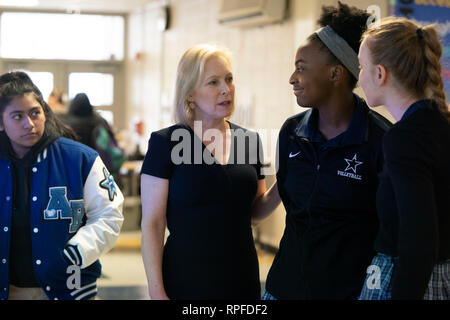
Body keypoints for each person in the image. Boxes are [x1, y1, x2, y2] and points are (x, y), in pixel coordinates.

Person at [263, 2, 393, 300]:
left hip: (349, 291)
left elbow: (390, 233)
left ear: (336, 74)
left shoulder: (381, 140)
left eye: (301, 68)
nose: (292, 78)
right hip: (283, 289)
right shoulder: (291, 133)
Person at [140, 44, 269, 300]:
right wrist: (156, 291)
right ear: (190, 94)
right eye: (213, 82)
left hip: (241, 277)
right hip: (186, 278)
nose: (226, 89)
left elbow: (253, 212)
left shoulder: (249, 140)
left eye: (229, 79)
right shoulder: (166, 142)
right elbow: (153, 224)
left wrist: (284, 184)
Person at [0, 71, 124, 300]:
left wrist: (76, 253)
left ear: (44, 113)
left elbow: (109, 215)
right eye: (17, 116)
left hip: (72, 290)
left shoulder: (80, 159)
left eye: (35, 113)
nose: (29, 124)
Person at [358, 17, 450, 300]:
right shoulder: (440, 124)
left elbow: (419, 239)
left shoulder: (404, 139)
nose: (359, 77)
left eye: (362, 67)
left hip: (415, 281)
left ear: (380, 74)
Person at [65, 93, 124, 186]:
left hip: (74, 170)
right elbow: (112, 145)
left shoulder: (66, 123)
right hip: (98, 169)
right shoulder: (100, 122)